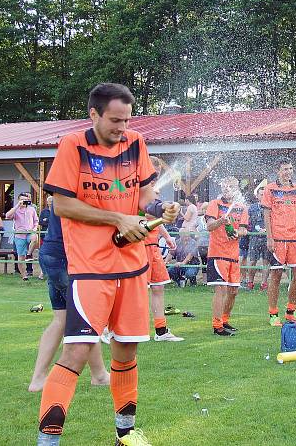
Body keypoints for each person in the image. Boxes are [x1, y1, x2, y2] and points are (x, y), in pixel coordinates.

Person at [36, 83, 179, 446]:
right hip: (90, 269)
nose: (122, 128)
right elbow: (62, 205)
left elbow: (145, 193)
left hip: (132, 266)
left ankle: (125, 436)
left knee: (127, 350)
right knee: (78, 352)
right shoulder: (74, 146)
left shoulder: (135, 143)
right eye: (115, 120)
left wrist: (159, 209)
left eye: (127, 120)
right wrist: (117, 219)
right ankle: (47, 441)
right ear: (94, 114)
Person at [29, 194, 109, 393]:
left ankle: (38, 378)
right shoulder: (78, 186)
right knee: (86, 318)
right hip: (66, 257)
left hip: (51, 254)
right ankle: (99, 375)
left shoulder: (64, 186)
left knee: (61, 319)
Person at [262, 157, 296, 326]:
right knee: (276, 275)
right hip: (278, 239)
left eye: (290, 169)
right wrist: (269, 236)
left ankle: (290, 311)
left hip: (294, 239)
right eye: (285, 169)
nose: (288, 172)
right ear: (278, 171)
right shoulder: (270, 189)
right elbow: (266, 214)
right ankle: (273, 314)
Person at [206, 176, 249, 336]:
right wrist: (220, 221)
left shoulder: (241, 207)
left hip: (233, 255)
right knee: (221, 289)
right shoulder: (214, 204)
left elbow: (244, 230)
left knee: (233, 291)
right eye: (225, 186)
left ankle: (224, 320)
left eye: (231, 186)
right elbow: (210, 226)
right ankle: (217, 326)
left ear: (236, 189)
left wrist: (238, 232)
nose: (227, 189)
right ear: (221, 188)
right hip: (217, 253)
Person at [144, 182, 184, 343]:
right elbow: (146, 216)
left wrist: (167, 237)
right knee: (135, 290)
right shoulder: (140, 194)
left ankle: (161, 330)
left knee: (158, 287)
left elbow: (156, 219)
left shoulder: (153, 196)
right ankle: (109, 328)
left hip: (153, 247)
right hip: (140, 246)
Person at [6, 192, 38, 281]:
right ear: (19, 200)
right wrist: (17, 206)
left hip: (29, 232)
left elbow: (36, 221)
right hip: (19, 235)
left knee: (35, 238)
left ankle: (29, 254)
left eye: (26, 200)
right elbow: (7, 216)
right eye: (22, 200)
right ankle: (24, 276)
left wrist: (34, 229)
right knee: (20, 257)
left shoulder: (31, 209)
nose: (24, 201)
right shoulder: (16, 210)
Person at [246, 180, 270, 291]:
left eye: (265, 194)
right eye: (261, 194)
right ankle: (250, 282)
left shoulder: (271, 208)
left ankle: (264, 284)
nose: (263, 196)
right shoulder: (251, 208)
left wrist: (267, 230)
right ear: (257, 196)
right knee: (252, 261)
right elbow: (247, 223)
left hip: (267, 238)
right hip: (254, 238)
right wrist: (253, 230)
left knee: (266, 261)